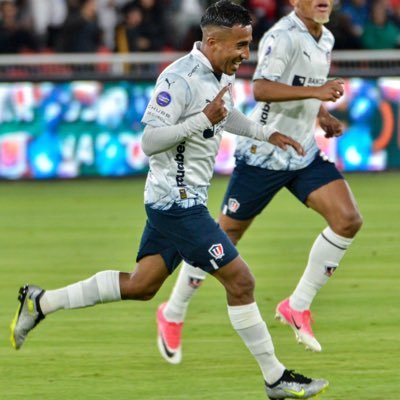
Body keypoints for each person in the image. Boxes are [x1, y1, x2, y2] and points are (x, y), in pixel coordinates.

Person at [10, 1, 328, 398]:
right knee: (241, 281)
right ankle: (275, 377)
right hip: (176, 205)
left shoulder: (216, 73)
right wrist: (202, 120)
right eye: (240, 46)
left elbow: (224, 114)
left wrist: (265, 135)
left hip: (180, 201)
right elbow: (149, 140)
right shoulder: (177, 79)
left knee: (143, 285)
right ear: (212, 41)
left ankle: (41, 302)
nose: (246, 54)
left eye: (248, 44)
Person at [156, 0, 363, 365]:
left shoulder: (325, 37)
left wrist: (322, 113)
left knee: (348, 219)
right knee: (223, 238)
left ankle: (297, 306)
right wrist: (316, 95)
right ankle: (172, 312)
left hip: (302, 151)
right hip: (263, 154)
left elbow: (305, 85)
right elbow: (263, 88)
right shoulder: (282, 36)